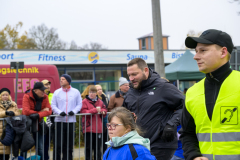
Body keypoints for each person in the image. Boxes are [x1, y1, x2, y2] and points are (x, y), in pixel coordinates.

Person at [180, 29, 236, 160]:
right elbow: (187, 133)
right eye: (196, 51)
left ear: (223, 52)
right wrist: (194, 156)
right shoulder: (192, 92)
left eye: (203, 50)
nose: (196, 56)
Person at [123, 58, 184, 160]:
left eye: (134, 74)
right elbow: (123, 114)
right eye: (129, 75)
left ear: (145, 70)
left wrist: (171, 124)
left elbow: (185, 106)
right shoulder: (131, 92)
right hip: (137, 146)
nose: (131, 78)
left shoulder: (163, 86)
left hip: (161, 146)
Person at [51, 74, 82, 160]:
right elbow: (53, 105)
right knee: (58, 145)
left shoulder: (76, 92)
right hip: (59, 121)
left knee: (69, 145)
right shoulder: (57, 92)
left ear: (68, 81)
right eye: (60, 79)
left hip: (71, 121)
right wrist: (59, 112)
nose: (61, 81)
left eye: (63, 79)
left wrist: (74, 111)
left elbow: (79, 104)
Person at [22, 82, 52, 160]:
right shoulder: (27, 96)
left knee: (40, 147)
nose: (44, 92)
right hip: (27, 124)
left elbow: (49, 111)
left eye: (44, 90)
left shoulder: (45, 97)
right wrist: (41, 111)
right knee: (24, 146)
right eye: (42, 90)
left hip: (39, 124)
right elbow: (25, 111)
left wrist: (38, 115)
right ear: (35, 91)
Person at [80, 85, 107, 160]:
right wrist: (94, 110)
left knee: (97, 148)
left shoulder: (100, 101)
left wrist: (102, 112)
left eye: (93, 92)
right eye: (90, 92)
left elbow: (105, 109)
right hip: (88, 128)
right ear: (88, 93)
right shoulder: (84, 101)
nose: (91, 94)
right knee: (88, 148)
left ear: (96, 93)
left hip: (98, 128)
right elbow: (83, 112)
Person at [0, 88, 20, 160]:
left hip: (9, 130)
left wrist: (13, 113)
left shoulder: (13, 104)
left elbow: (18, 114)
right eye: (3, 95)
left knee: (6, 154)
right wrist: (5, 113)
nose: (5, 96)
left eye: (7, 95)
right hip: (0, 130)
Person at [41, 79, 54, 160]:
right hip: (41, 124)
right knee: (41, 145)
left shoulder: (53, 95)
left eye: (49, 84)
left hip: (50, 124)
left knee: (47, 145)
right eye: (46, 85)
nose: (48, 86)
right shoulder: (40, 96)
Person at [95, 84, 109, 153]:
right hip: (97, 123)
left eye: (100, 89)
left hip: (104, 121)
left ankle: (105, 155)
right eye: (98, 89)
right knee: (98, 143)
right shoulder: (95, 99)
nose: (100, 91)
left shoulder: (105, 97)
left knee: (105, 142)